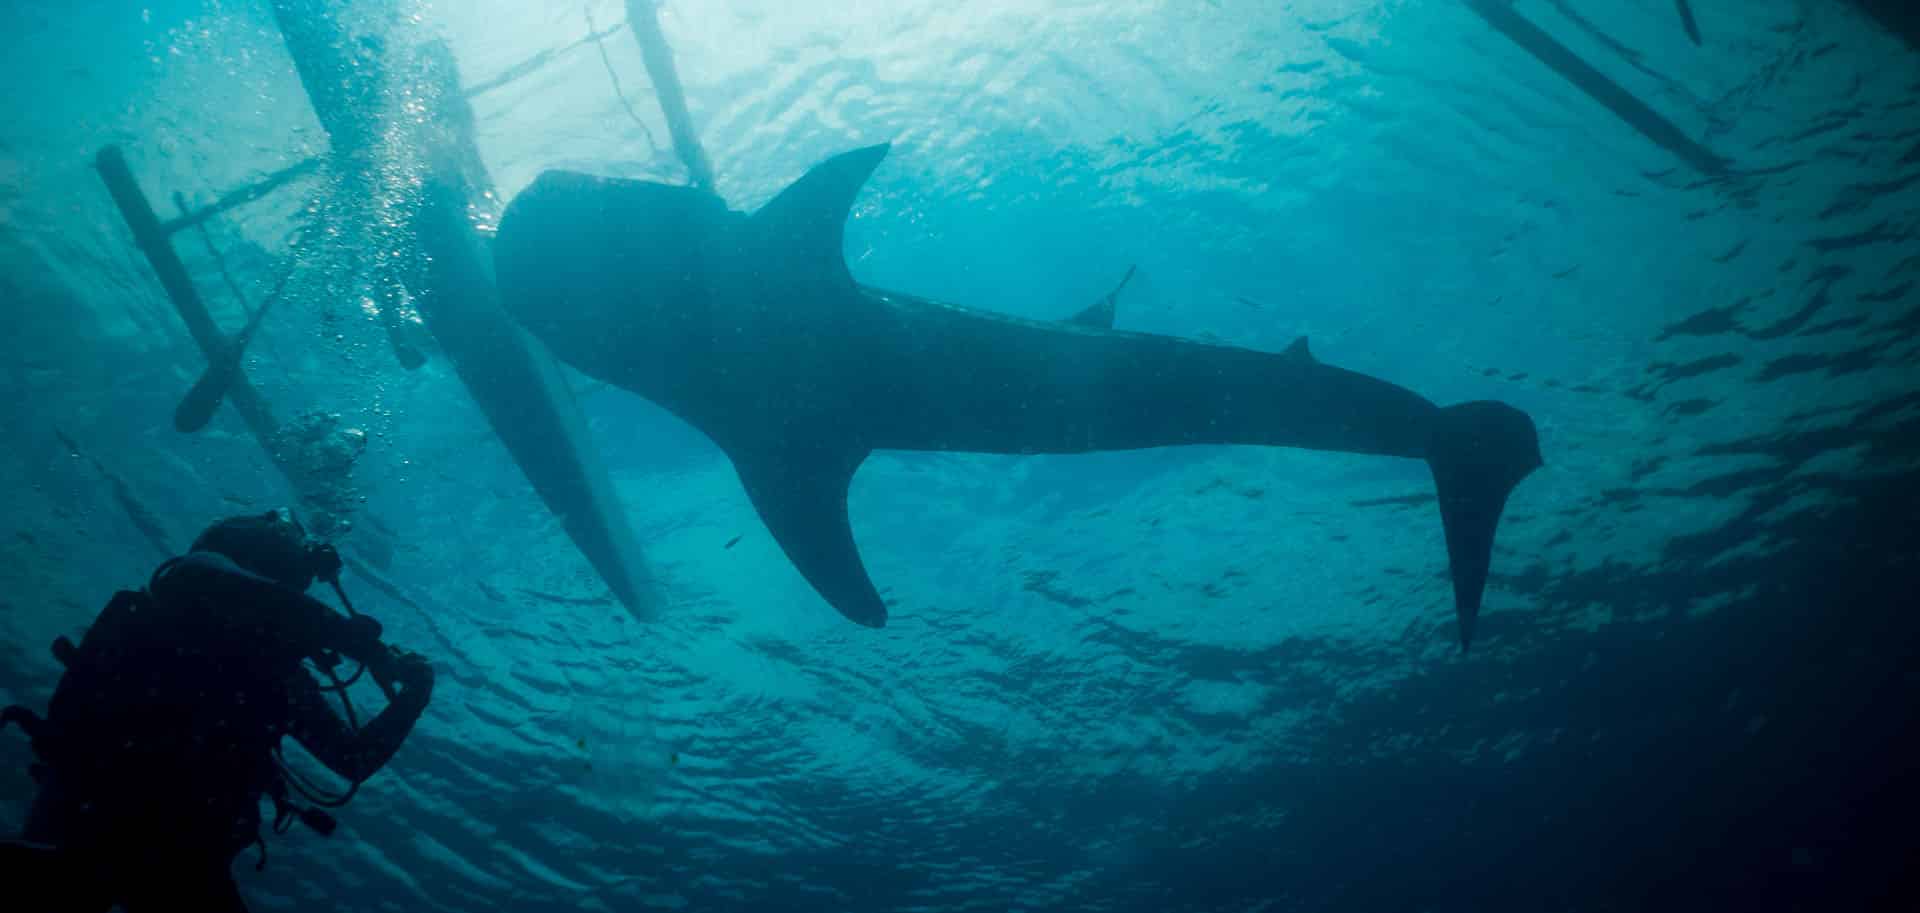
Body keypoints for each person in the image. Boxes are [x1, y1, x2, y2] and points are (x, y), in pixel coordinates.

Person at [1, 509, 434, 912]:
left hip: (185, 856)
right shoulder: (189, 581)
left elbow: (351, 759)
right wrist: (372, 652)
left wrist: (413, 695)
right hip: (90, 820)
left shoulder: (279, 671)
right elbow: (227, 585)